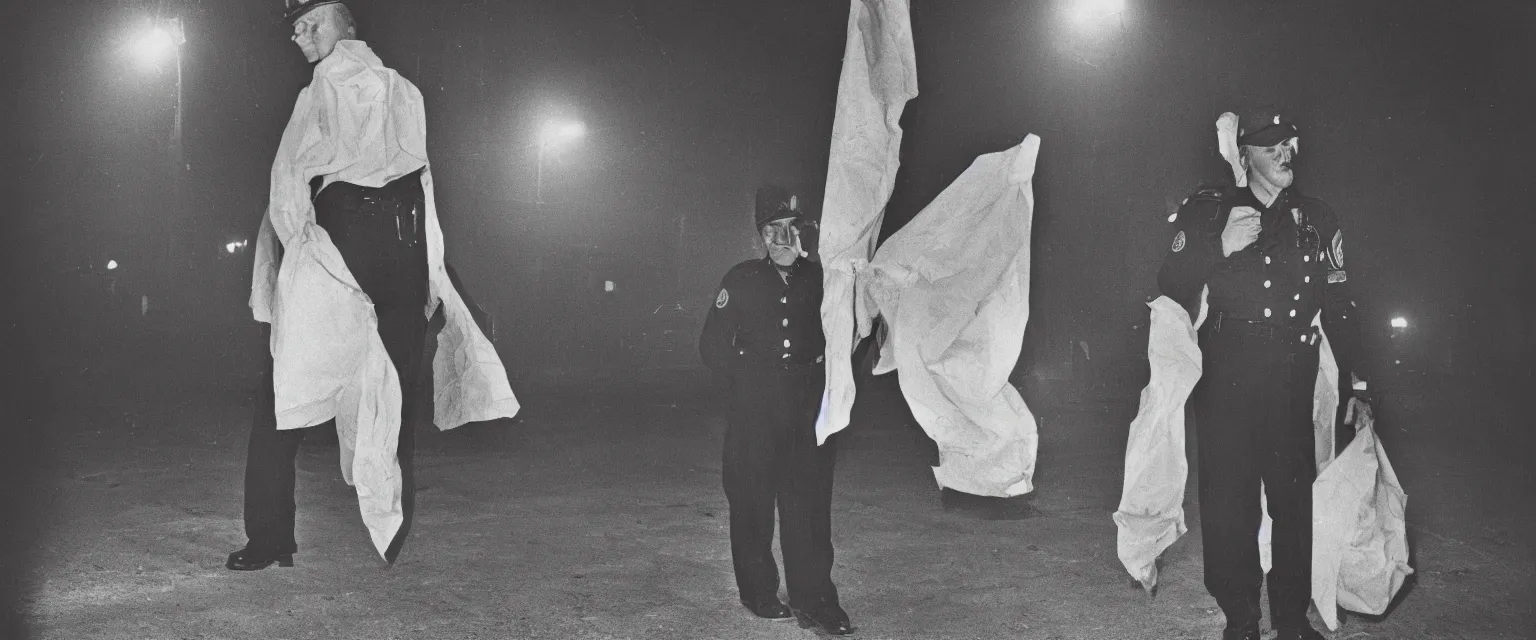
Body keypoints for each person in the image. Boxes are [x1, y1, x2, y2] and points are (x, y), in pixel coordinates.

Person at [229, 0, 517, 570]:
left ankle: (366, 521)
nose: (301, 35)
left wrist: (428, 266)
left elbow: (415, 182)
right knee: (289, 391)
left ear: (346, 23)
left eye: (312, 22)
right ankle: (281, 536)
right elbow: (288, 189)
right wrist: (304, 257)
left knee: (379, 391)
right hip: (347, 246)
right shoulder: (336, 93)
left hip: (382, 250)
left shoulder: (388, 91)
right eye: (295, 28)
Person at [1158, 107, 1373, 640]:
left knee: (1293, 502)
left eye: (1290, 141)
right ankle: (1241, 619)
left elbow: (1342, 305)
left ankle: (1291, 619)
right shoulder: (1210, 210)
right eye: (1271, 142)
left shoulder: (1318, 218)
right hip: (1226, 372)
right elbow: (1168, 282)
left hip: (1290, 373)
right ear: (1243, 152)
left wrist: (1360, 385)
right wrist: (1218, 247)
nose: (1286, 151)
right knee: (1228, 502)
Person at [698, 186, 851, 635]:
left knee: (809, 504)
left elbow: (848, 339)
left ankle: (816, 600)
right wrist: (745, 392)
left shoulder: (825, 280)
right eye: (772, 230)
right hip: (755, 404)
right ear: (761, 236)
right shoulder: (741, 279)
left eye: (791, 228)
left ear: (805, 233)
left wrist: (830, 388)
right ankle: (758, 591)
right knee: (752, 500)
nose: (782, 239)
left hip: (809, 402)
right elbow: (711, 346)